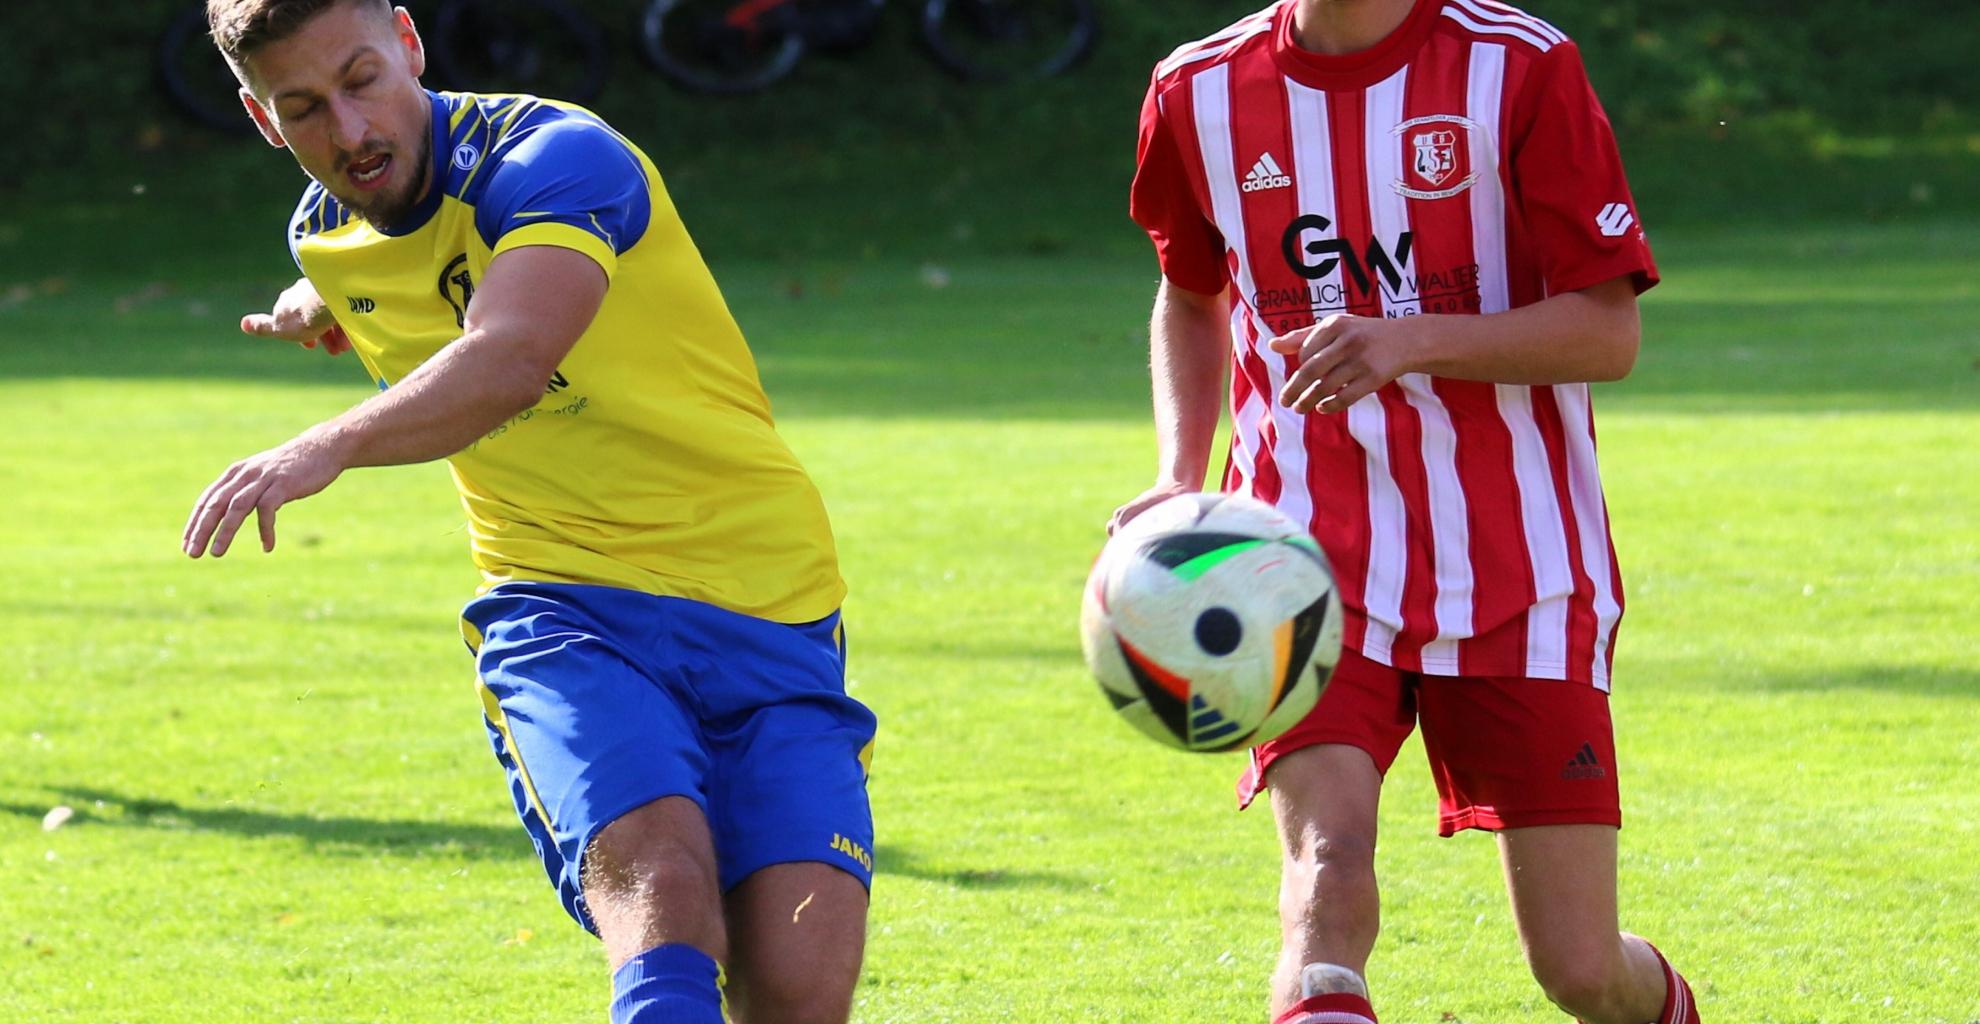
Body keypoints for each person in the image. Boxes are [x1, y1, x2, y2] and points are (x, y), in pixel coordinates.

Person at [182, 3, 875, 1021]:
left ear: (411, 44)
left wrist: (325, 441)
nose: (351, 130)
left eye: (363, 79)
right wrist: (311, 304)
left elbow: (512, 353)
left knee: (796, 990)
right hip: (564, 609)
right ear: (262, 120)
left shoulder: (560, 156)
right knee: (669, 899)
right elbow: (358, 265)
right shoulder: (327, 232)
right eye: (305, 109)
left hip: (771, 601)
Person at [1115, 1, 1701, 1022]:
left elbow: (1609, 333)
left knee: (1578, 968)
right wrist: (1178, 472)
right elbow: (1188, 289)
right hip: (1301, 561)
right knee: (1328, 886)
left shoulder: (1518, 66)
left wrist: (1409, 337)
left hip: (1523, 562)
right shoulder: (1196, 89)